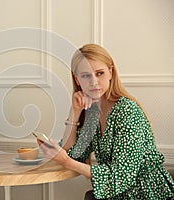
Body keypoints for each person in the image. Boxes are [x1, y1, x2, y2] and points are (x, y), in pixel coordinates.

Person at [38, 44, 174, 199]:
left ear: (111, 72)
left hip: (146, 193)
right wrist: (74, 113)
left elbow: (122, 177)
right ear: (77, 79)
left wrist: (67, 162)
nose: (94, 82)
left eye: (99, 73)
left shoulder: (127, 111)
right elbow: (73, 154)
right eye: (86, 75)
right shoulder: (92, 113)